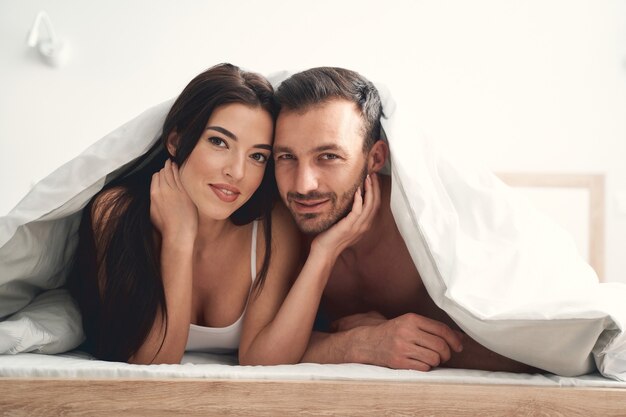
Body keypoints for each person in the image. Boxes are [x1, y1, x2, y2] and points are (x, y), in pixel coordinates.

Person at [67, 63, 376, 365]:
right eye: (219, 142)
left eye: (257, 156)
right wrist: (178, 237)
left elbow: (263, 360)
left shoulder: (270, 223)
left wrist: (323, 254)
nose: (237, 172)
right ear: (176, 141)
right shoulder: (117, 210)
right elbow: (153, 360)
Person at [272, 67, 539, 373]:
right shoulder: (280, 227)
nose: (303, 185)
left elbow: (539, 350)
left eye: (329, 156)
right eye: (286, 157)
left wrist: (414, 346)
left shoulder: (430, 222)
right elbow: (257, 348)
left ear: (375, 158)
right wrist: (358, 343)